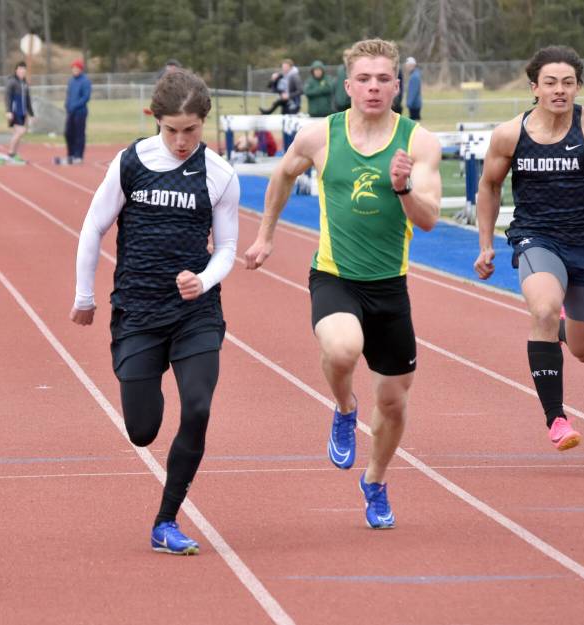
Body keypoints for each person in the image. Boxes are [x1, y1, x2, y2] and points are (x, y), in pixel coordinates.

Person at [245, 39, 441, 530]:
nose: (374, 87)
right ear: (347, 84)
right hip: (335, 275)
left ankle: (374, 480)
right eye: (364, 79)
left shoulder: (418, 142)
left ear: (397, 85)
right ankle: (343, 407)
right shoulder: (320, 136)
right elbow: (282, 175)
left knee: (394, 403)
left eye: (383, 79)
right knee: (342, 349)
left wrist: (403, 188)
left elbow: (431, 218)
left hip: (390, 287)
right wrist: (265, 235)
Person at [70, 69, 240, 554]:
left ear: (204, 123)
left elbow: (226, 248)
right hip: (138, 313)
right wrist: (85, 298)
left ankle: (166, 520)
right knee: (143, 430)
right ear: (154, 120)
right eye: (172, 130)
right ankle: (144, 381)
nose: (182, 140)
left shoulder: (220, 175)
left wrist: (203, 279)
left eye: (191, 130)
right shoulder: (130, 164)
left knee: (200, 407)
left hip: (195, 314)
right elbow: (93, 228)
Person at [473, 46, 584, 450]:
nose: (559, 90)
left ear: (578, 87)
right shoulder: (510, 134)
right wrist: (484, 245)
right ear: (534, 87)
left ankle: (560, 329)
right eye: (550, 83)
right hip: (537, 237)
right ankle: (557, 419)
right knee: (544, 307)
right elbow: (489, 186)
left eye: (567, 83)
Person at [57, 58, 92, 165]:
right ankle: (70, 154)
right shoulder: (71, 81)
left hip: (80, 111)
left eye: (77, 68)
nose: (75, 70)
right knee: (68, 133)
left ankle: (78, 156)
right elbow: (69, 95)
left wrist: (74, 106)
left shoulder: (85, 81)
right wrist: (67, 104)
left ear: (81, 69)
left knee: (79, 134)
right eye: (73, 68)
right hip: (70, 111)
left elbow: (86, 97)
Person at [4, 61, 35, 164]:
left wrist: (31, 114)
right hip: (14, 111)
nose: (22, 71)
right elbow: (7, 97)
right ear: (16, 70)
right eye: (20, 69)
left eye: (24, 69)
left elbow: (28, 99)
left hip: (22, 112)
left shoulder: (24, 83)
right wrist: (8, 111)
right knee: (21, 131)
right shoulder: (12, 82)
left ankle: (14, 154)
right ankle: (10, 153)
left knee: (19, 133)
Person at [332, 48, 352, 113]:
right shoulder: (339, 70)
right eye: (345, 55)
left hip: (351, 107)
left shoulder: (357, 70)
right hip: (339, 108)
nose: (347, 57)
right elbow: (335, 88)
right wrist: (335, 104)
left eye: (350, 55)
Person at [405, 57, 422, 121]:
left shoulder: (414, 76)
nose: (406, 67)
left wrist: (409, 103)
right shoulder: (414, 75)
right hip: (415, 104)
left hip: (414, 105)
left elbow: (413, 92)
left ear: (412, 65)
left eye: (407, 65)